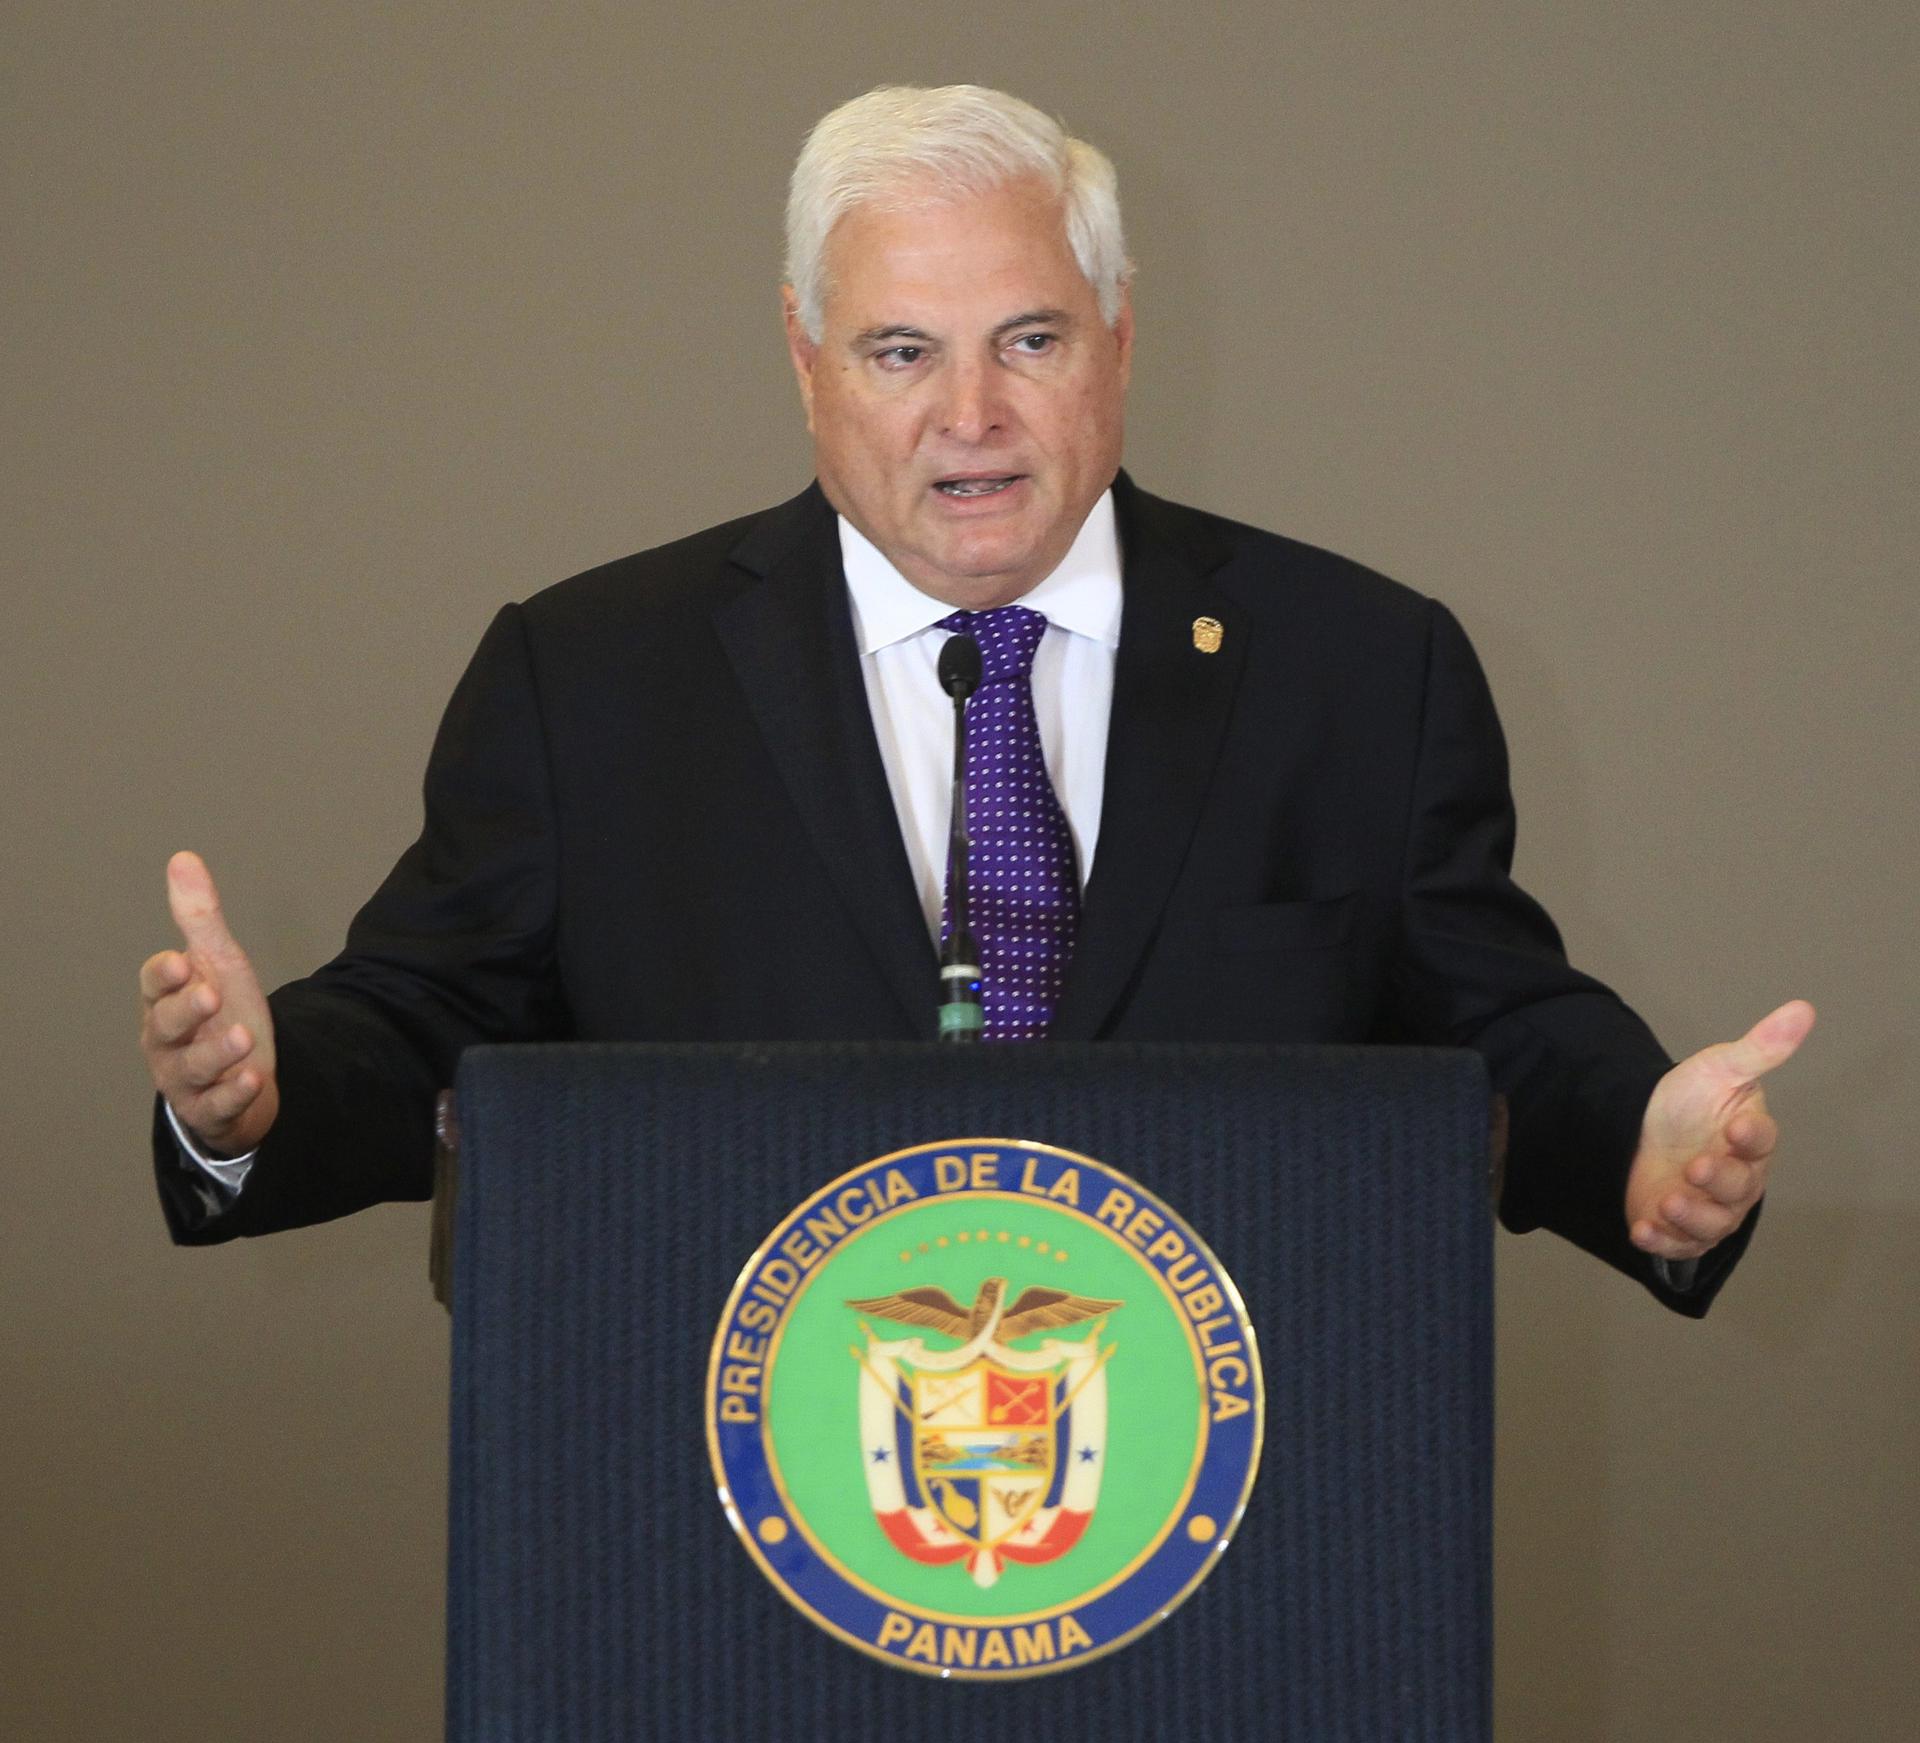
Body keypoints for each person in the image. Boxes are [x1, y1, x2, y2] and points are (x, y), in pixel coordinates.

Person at [138, 84, 1811, 1310]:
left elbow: (1497, 1014)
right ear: (802, 358)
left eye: (1029, 341)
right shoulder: (592, 678)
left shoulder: (1357, 665)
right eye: (898, 352)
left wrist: (1643, 1143)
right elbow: (425, 1019)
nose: (972, 415)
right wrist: (259, 1088)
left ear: (1121, 343)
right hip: (738, 1531)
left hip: (1222, 1535)